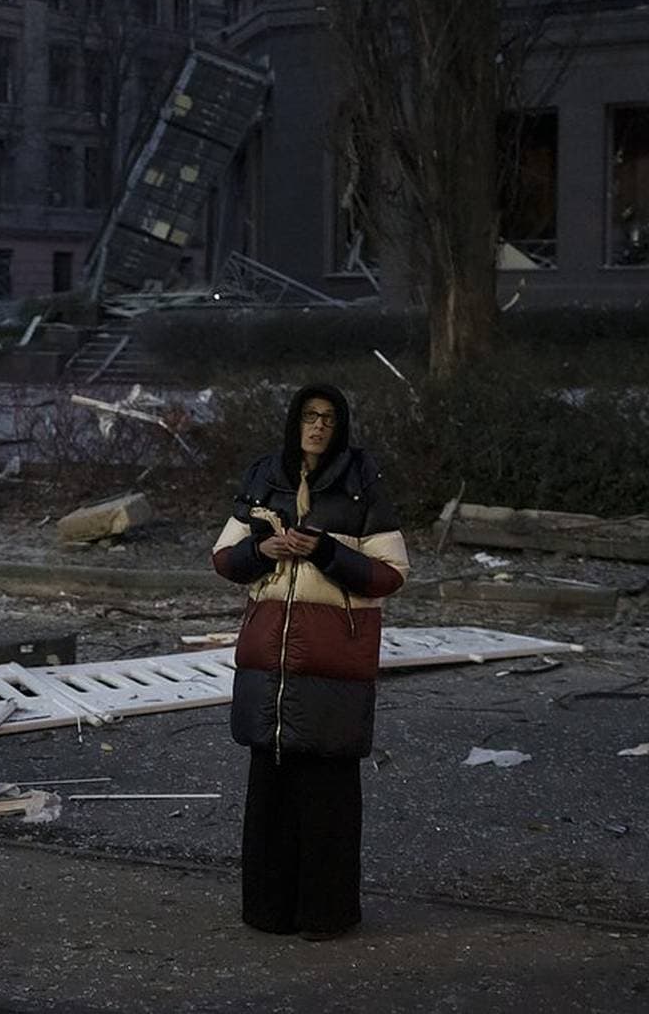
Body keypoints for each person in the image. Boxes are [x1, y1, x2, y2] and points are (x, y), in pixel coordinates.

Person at [210, 384, 409, 940]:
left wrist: (324, 550)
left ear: (340, 425)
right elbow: (223, 559)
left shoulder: (362, 482)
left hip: (333, 660)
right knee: (269, 792)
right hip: (267, 661)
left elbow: (390, 574)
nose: (318, 426)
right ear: (294, 423)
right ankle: (268, 912)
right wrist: (261, 551)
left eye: (328, 418)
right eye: (308, 416)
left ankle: (326, 915)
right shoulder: (264, 475)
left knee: (327, 794)